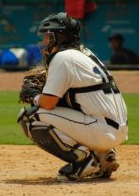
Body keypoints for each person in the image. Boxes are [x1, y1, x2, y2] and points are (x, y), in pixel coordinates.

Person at [18, 12, 128, 182]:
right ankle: (104, 156)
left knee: (29, 117)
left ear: (60, 36)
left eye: (49, 36)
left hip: (102, 130)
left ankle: (83, 161)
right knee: (68, 104)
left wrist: (33, 96)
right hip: (115, 128)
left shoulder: (63, 57)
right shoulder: (85, 53)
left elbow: (47, 103)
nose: (45, 41)